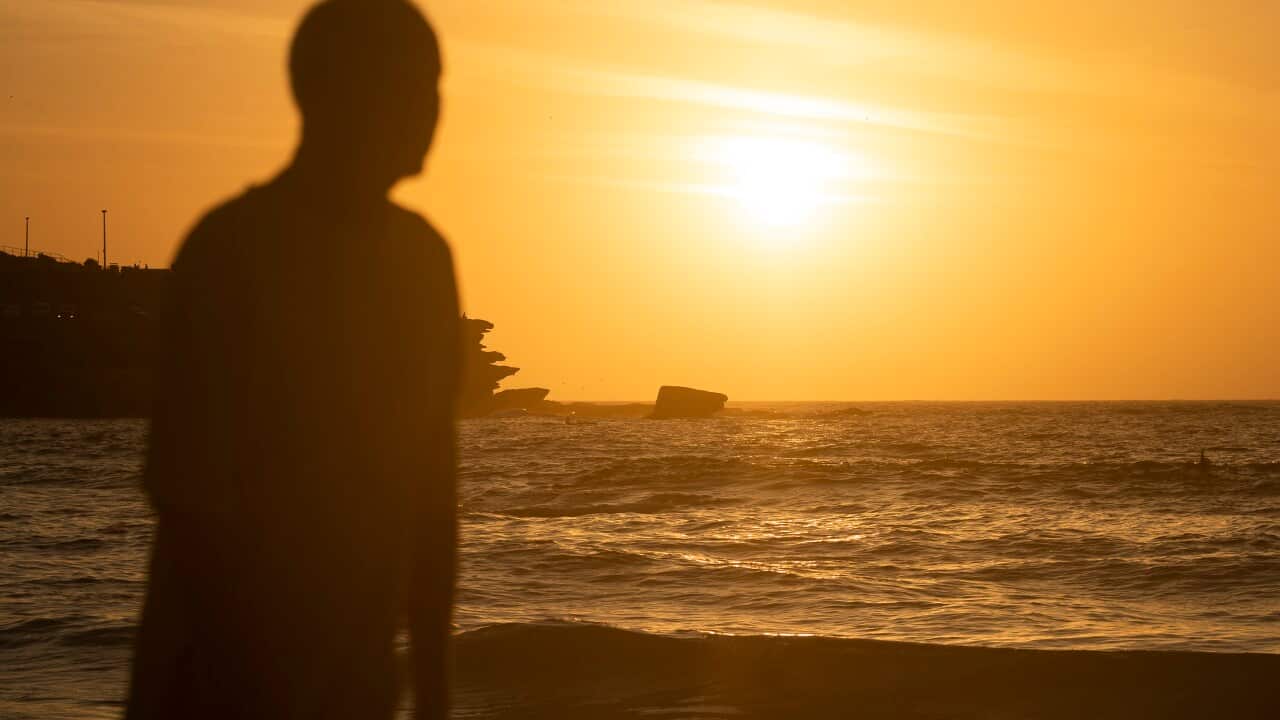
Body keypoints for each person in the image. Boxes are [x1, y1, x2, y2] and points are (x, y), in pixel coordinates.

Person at [125, 1, 458, 718]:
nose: (435, 108)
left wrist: (432, 696)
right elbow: (190, 517)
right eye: (419, 84)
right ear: (342, 93)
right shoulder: (230, 253)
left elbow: (433, 508)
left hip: (357, 686)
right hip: (225, 686)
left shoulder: (423, 260)